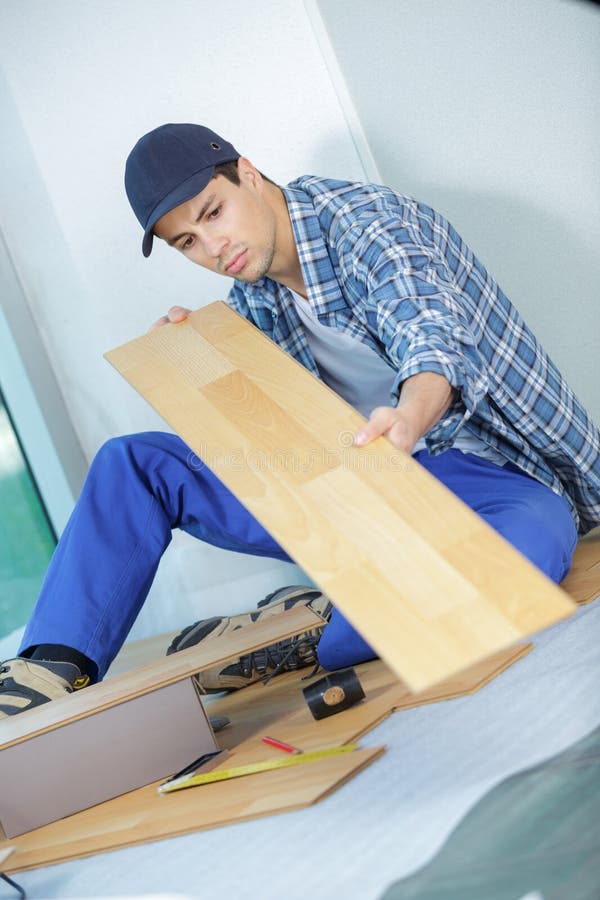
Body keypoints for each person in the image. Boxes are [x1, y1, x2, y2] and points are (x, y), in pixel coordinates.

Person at [1, 123, 599, 719]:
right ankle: (51, 665)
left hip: (481, 470)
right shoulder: (254, 297)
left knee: (522, 562)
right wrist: (199, 359)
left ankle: (320, 622)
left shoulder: (369, 225)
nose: (212, 248)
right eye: (187, 242)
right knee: (134, 463)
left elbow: (432, 335)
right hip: (359, 485)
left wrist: (410, 419)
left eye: (213, 213)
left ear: (250, 173)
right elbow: (268, 437)